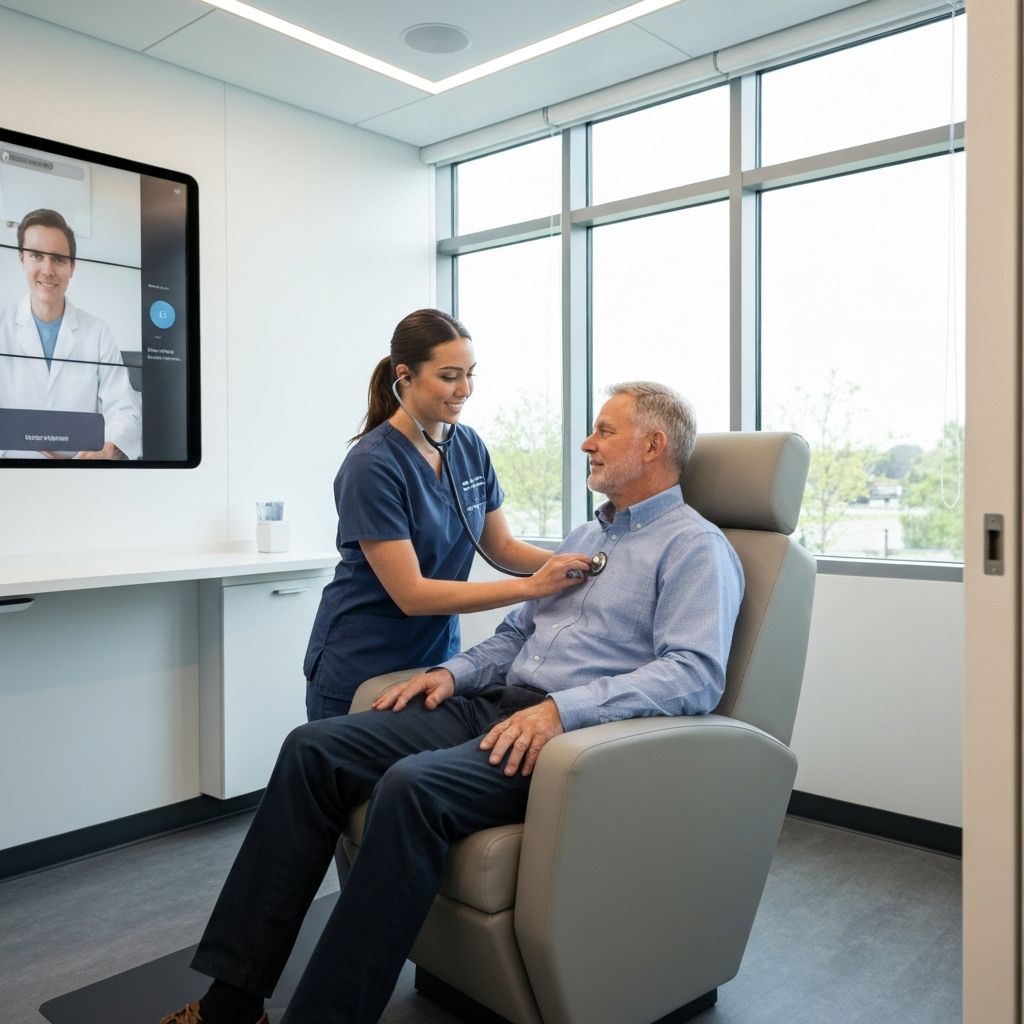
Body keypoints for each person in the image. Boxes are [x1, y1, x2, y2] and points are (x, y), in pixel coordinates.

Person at [161, 381, 745, 1024]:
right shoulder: (589, 533)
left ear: (654, 445)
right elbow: (520, 633)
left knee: (411, 787)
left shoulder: (695, 547)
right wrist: (452, 673)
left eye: (605, 431)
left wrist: (563, 712)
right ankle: (230, 1005)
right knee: (312, 749)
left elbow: (692, 673)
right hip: (492, 703)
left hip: (561, 742)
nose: (588, 442)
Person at [303, 307, 592, 721]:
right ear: (405, 376)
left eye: (470, 373)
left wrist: (578, 566)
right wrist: (534, 588)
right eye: (449, 376)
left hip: (436, 658)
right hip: (361, 660)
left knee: (412, 782)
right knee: (350, 783)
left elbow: (502, 547)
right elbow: (413, 594)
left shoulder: (469, 445)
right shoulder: (371, 465)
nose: (465, 389)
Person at [0, 208, 141, 459]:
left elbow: (125, 412)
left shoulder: (97, 332)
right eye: (36, 256)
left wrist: (106, 448)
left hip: (82, 475)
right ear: (22, 259)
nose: (48, 270)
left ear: (72, 267)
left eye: (58, 259)